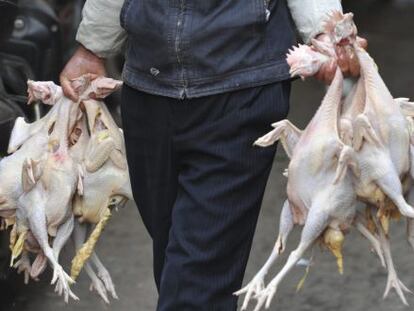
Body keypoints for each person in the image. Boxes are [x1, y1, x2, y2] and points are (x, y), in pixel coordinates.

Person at [60, 1, 362, 310]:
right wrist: (92, 47)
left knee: (196, 280)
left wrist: (326, 31)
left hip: (242, 84)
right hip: (149, 89)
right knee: (175, 259)